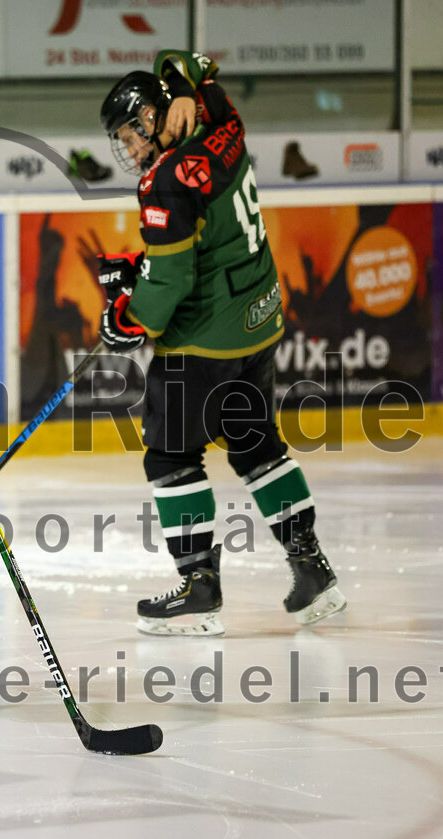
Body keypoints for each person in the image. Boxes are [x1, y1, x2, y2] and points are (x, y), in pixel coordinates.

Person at [96, 50, 347, 636]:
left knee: (170, 455)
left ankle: (198, 590)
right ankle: (313, 571)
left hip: (205, 341)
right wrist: (186, 83)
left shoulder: (163, 183)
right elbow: (190, 61)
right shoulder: (220, 118)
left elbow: (172, 283)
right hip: (257, 320)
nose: (131, 152)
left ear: (154, 117)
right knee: (257, 446)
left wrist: (126, 319)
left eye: (131, 134)